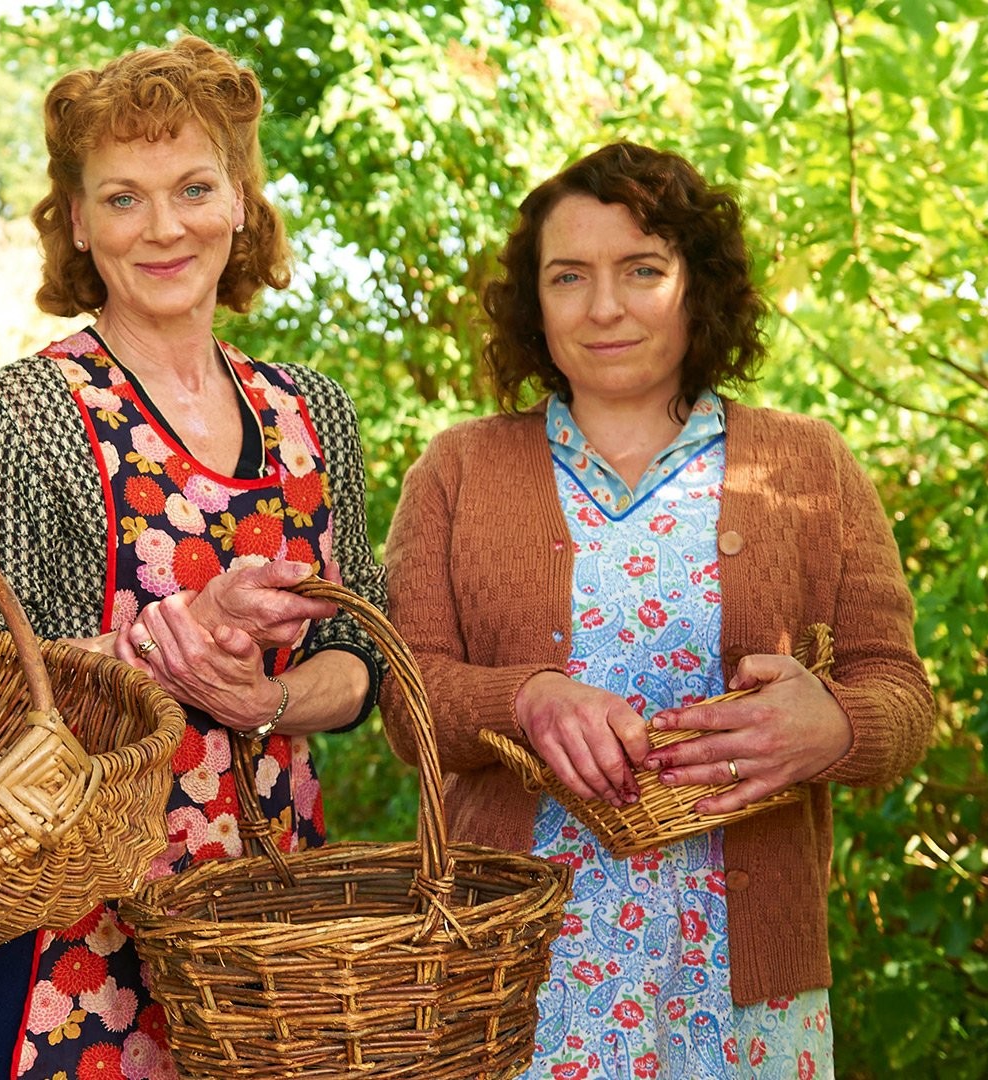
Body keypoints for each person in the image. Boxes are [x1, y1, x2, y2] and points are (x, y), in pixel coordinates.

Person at [379, 142, 935, 1079]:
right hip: (515, 986)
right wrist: (528, 698)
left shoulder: (807, 466)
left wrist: (834, 720)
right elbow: (407, 700)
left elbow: (903, 693)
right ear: (535, 304)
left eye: (642, 270)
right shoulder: (459, 470)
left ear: (697, 287)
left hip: (744, 991)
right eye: (569, 277)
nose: (605, 307)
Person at [0, 36, 389, 1080]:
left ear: (240, 200)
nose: (165, 226)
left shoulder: (312, 411)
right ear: (79, 222)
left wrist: (261, 697)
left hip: (275, 935)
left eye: (192, 187)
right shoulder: (29, 412)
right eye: (124, 198)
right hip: (74, 936)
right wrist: (160, 659)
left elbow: (366, 651)